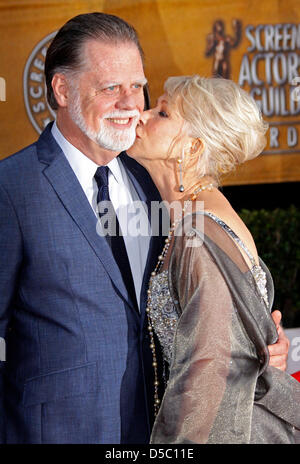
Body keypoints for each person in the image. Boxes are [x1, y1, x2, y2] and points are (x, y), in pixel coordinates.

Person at [0, 12, 290, 444]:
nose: (132, 105)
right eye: (111, 87)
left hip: (160, 430)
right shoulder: (12, 188)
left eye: (137, 86)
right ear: (62, 90)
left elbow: (208, 310)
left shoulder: (155, 182)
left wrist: (259, 343)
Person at [127, 75, 300, 443]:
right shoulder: (193, 218)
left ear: (191, 149)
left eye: (161, 112)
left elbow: (208, 372)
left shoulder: (199, 233)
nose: (141, 116)